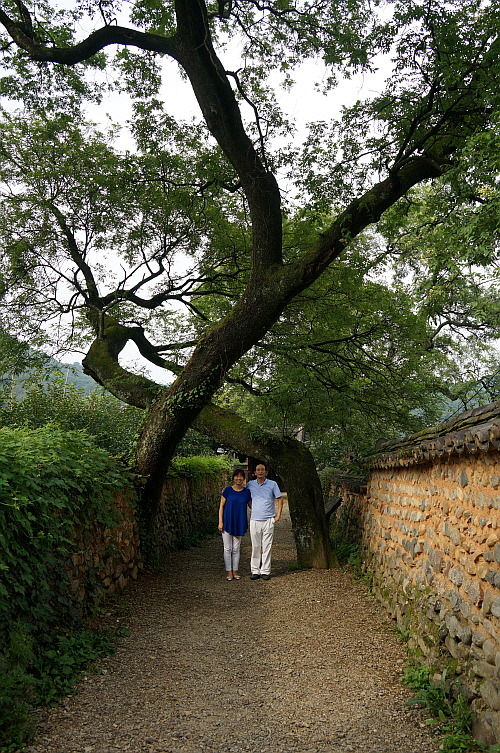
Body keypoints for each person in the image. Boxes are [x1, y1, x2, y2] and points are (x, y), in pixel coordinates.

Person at [247, 462, 282, 581]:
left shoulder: (272, 484)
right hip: (255, 520)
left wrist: (278, 516)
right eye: (258, 470)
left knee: (267, 546)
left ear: (266, 472)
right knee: (256, 546)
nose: (260, 471)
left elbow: (280, 499)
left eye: (262, 469)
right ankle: (255, 570)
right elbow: (246, 497)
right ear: (255, 472)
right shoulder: (250, 485)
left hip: (268, 519)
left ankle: (265, 571)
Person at [218, 468, 251, 581]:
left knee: (236, 548)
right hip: (227, 521)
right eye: (236, 476)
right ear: (233, 478)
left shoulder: (247, 492)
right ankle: (229, 572)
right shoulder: (227, 491)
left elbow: (252, 506)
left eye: (241, 476)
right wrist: (220, 521)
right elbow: (221, 506)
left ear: (243, 478)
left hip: (239, 522)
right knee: (227, 548)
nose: (238, 478)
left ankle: (235, 571)